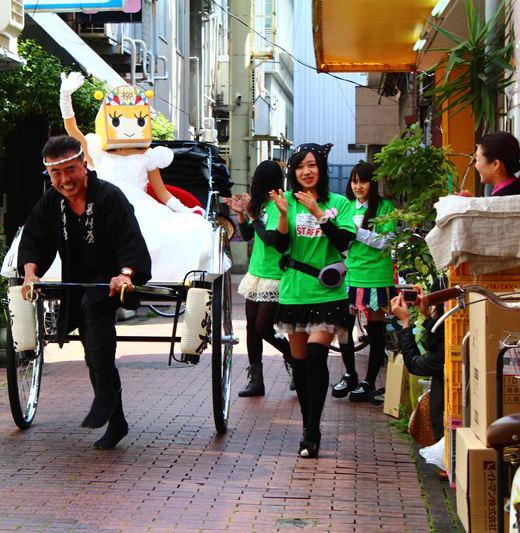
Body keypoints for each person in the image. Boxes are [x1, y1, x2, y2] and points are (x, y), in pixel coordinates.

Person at [18, 135, 152, 450]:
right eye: (56, 173)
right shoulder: (51, 202)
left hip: (110, 281)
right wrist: (30, 273)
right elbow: (35, 239)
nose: (64, 180)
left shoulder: (109, 196)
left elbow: (130, 241)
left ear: (84, 165)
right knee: (91, 350)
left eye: (70, 170)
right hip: (76, 281)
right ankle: (117, 420)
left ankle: (106, 402)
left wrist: (125, 274)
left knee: (96, 325)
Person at [58, 71, 217, 281]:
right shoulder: (97, 152)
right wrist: (65, 97)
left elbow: (162, 192)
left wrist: (186, 211)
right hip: (105, 208)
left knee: (169, 236)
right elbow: (72, 130)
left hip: (143, 210)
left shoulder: (148, 157)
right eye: (117, 122)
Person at [268, 143, 356, 458]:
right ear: (293, 172)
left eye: (312, 165)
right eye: (300, 166)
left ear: (321, 168)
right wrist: (282, 214)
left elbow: (344, 241)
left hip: (328, 292)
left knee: (317, 356)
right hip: (294, 292)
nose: (306, 172)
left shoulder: (339, 203)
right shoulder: (284, 201)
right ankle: (307, 424)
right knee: (301, 365)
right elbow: (280, 246)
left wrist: (318, 212)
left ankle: (313, 429)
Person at [223, 161, 292, 397]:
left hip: (276, 275)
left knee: (263, 327)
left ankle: (293, 358)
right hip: (256, 273)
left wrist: (252, 217)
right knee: (252, 328)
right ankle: (256, 380)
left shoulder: (279, 203)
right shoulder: (260, 204)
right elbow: (247, 236)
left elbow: (271, 239)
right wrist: (241, 215)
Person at [332, 162, 396, 401]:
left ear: (373, 183)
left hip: (377, 275)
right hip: (351, 274)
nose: (358, 186)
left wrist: (356, 231)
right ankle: (350, 374)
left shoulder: (386, 207)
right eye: (354, 181)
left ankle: (369, 381)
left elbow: (386, 241)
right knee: (343, 327)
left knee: (376, 331)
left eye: (363, 181)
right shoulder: (345, 206)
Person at [390, 286, 445, 442]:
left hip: (444, 424)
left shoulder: (446, 347)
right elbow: (440, 335)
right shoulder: (451, 334)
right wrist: (426, 314)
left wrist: (405, 322)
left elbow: (415, 364)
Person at [460, 132, 520, 197]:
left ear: (495, 164)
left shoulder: (503, 198)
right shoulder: (514, 190)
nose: (475, 166)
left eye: (477, 160)